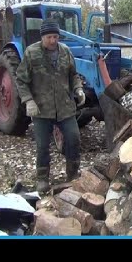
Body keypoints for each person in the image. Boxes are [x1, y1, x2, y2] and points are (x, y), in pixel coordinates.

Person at [16, 19, 86, 193]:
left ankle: (72, 174)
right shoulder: (31, 53)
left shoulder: (66, 52)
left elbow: (73, 75)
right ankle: (42, 179)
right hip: (41, 108)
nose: (53, 40)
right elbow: (21, 80)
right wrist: (28, 100)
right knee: (42, 145)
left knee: (74, 138)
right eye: (49, 37)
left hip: (64, 107)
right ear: (42, 37)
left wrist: (78, 89)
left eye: (55, 36)